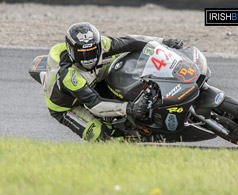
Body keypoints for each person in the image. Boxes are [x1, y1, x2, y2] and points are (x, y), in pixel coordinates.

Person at [43, 22, 183, 142]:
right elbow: (95, 104)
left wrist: (163, 42)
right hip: (68, 106)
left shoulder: (102, 43)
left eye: (92, 51)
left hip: (94, 79)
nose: (88, 58)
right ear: (71, 51)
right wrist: (129, 108)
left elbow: (132, 42)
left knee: (128, 56)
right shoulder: (69, 75)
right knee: (105, 138)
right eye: (82, 53)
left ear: (97, 45)